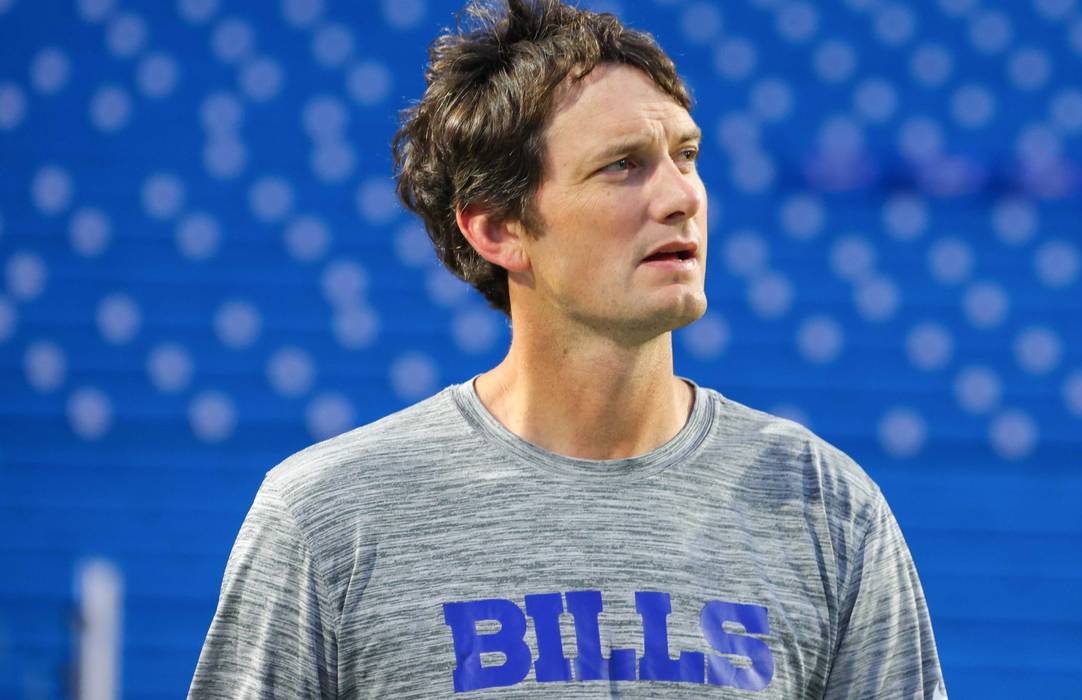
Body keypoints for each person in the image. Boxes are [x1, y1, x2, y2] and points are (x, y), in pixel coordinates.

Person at [189, 0, 947, 697]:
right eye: (622, 166)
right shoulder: (328, 519)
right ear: (496, 227)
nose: (680, 196)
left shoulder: (823, 507)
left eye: (685, 155)